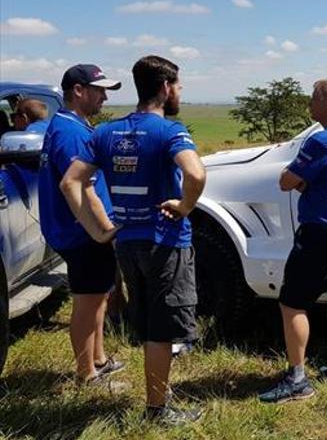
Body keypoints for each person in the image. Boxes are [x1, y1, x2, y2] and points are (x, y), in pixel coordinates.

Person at [61, 55, 206, 425]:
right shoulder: (170, 131)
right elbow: (196, 173)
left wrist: (98, 230)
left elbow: (70, 182)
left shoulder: (104, 133)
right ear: (165, 88)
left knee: (147, 324)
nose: (179, 93)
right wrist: (185, 205)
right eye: (178, 86)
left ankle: (159, 396)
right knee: (162, 328)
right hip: (165, 242)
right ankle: (157, 409)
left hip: (126, 243)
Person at [259, 78, 327, 403]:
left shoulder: (322, 140)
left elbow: (286, 181)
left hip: (319, 232)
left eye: (314, 98)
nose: (309, 104)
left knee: (292, 303)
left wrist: (299, 183)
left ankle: (297, 380)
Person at [38, 64, 124, 385]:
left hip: (85, 232)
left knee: (98, 295)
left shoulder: (71, 125)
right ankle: (87, 374)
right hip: (84, 233)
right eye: (99, 90)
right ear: (78, 90)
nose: (104, 97)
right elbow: (80, 188)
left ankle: (98, 359)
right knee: (87, 302)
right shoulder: (71, 133)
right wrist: (104, 231)